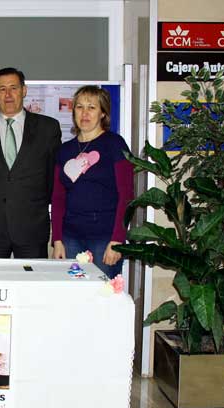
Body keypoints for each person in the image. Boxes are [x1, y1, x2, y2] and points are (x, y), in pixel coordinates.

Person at [0, 67, 61, 258]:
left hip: (32, 228)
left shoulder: (47, 128)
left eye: (14, 88)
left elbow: (53, 177)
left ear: (24, 91)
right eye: (2, 89)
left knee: (32, 286)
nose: (8, 95)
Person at [51, 85, 134, 278]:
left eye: (92, 107)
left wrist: (117, 240)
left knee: (102, 296)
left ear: (103, 113)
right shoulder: (64, 150)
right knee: (74, 296)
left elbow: (126, 196)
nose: (85, 113)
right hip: (70, 237)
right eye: (79, 107)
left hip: (105, 238)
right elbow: (58, 198)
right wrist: (57, 240)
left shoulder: (115, 144)